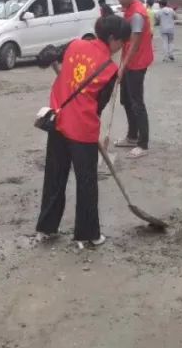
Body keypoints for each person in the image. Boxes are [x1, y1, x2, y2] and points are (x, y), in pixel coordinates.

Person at [36, 16, 130, 248]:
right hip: (82, 131)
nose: (121, 47)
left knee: (54, 177)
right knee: (86, 181)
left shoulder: (75, 45)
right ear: (111, 38)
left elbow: (45, 57)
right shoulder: (110, 69)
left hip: (57, 122)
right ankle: (87, 234)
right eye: (121, 41)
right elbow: (99, 106)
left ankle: (46, 229)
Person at [114, 0, 152, 159]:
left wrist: (123, 67)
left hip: (137, 63)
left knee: (137, 103)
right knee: (126, 100)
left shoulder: (137, 14)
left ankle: (143, 144)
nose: (120, 0)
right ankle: (131, 136)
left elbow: (134, 44)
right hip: (129, 62)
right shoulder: (128, 11)